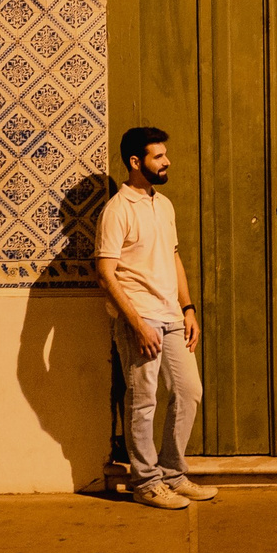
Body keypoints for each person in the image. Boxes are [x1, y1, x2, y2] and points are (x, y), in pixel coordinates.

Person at [93, 126, 218, 510]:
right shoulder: (117, 210)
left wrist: (188, 307)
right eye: (158, 156)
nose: (167, 162)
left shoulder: (163, 204)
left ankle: (173, 474)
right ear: (136, 162)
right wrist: (135, 322)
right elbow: (104, 271)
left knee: (188, 392)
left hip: (171, 315)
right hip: (140, 319)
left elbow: (173, 257)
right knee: (143, 401)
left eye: (165, 155)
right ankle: (145, 481)